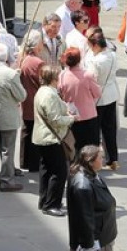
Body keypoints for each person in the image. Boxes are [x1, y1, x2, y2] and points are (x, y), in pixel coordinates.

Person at [65, 145, 119, 251]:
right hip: (94, 235)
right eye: (100, 157)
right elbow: (84, 216)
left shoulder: (91, 176)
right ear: (90, 161)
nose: (103, 160)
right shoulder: (83, 184)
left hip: (100, 231)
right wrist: (89, 241)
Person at [0, 43, 27, 191]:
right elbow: (22, 95)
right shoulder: (11, 74)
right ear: (6, 57)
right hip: (8, 118)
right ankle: (7, 181)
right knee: (7, 151)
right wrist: (16, 77)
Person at [34, 65, 75, 216]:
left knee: (46, 170)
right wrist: (71, 118)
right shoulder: (50, 94)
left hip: (42, 136)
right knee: (59, 172)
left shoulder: (42, 91)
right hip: (51, 138)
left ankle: (44, 200)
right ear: (52, 79)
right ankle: (51, 204)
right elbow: (55, 120)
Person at [85, 28, 119, 171]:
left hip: (98, 97)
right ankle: (113, 159)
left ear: (95, 45)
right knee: (110, 129)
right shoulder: (112, 55)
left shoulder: (96, 61)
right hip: (111, 94)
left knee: (94, 131)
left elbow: (91, 79)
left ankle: (93, 159)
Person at [59, 46, 102, 147]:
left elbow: (60, 94)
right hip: (89, 116)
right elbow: (98, 93)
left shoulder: (62, 75)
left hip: (71, 116)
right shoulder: (87, 75)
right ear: (79, 59)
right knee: (91, 149)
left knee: (75, 147)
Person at [19, 31, 45, 173]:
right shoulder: (37, 62)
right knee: (34, 133)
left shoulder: (23, 59)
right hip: (35, 99)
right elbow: (43, 82)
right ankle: (33, 163)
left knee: (26, 131)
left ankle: (24, 161)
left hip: (26, 100)